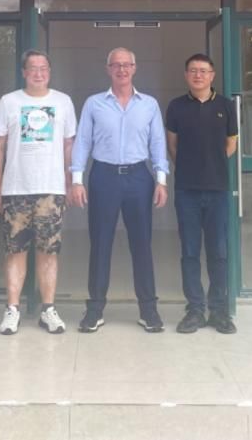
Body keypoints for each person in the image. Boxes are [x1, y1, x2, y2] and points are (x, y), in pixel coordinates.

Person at [69, 47, 170, 333]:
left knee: (142, 244)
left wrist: (161, 180)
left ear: (135, 68)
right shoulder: (94, 104)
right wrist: (77, 179)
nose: (122, 69)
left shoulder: (149, 104)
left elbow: (157, 143)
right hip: (104, 177)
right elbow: (83, 142)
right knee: (100, 244)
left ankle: (148, 310)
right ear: (108, 69)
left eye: (127, 65)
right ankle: (95, 310)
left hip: (139, 177)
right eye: (116, 65)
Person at [0, 50, 77, 335]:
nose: (38, 73)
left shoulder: (63, 102)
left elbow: (69, 145)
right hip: (16, 189)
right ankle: (12, 309)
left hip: (51, 190)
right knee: (14, 250)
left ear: (49, 72)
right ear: (24, 72)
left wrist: (69, 182)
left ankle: (48, 309)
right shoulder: (8, 102)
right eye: (33, 68)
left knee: (48, 251)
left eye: (44, 68)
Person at [165, 53, 238, 334]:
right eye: (193, 70)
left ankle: (219, 311)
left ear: (212, 75)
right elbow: (172, 146)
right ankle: (195, 310)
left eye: (203, 71)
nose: (198, 75)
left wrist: (212, 166)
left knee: (218, 252)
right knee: (190, 252)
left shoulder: (226, 106)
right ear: (186, 75)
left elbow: (230, 145)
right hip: (187, 191)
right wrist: (190, 167)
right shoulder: (176, 107)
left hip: (218, 190)